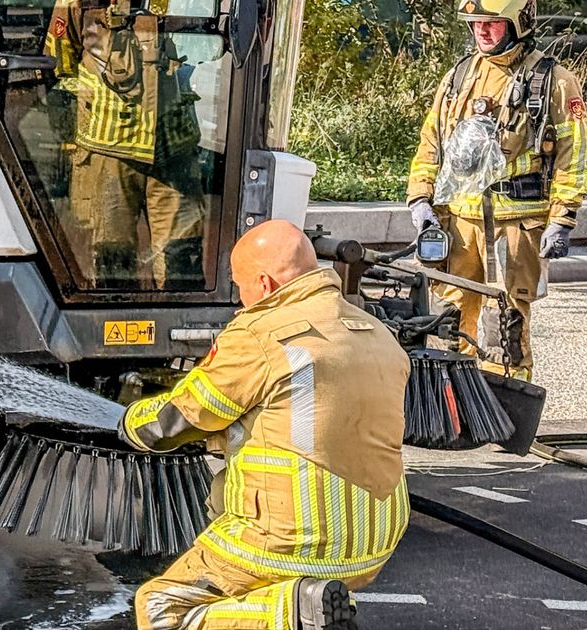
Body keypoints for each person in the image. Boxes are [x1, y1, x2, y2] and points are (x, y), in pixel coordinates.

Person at [119, 221, 411, 630]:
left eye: (241, 286)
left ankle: (293, 615)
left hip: (289, 539)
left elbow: (178, 420)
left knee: (161, 606)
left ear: (264, 283)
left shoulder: (259, 334)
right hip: (375, 542)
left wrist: (129, 420)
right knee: (259, 592)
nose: (241, 300)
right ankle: (309, 607)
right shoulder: (378, 334)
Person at [407, 0, 587, 380]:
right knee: (447, 320)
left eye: (493, 23)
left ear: (518, 23)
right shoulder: (459, 76)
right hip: (459, 222)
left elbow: (573, 155)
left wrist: (562, 219)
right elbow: (431, 142)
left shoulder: (554, 81)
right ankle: (450, 400)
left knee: (504, 327)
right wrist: (420, 199)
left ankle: (503, 403)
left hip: (516, 226)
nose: (482, 31)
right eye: (476, 23)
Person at [45, 0, 206, 290]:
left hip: (172, 145)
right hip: (108, 149)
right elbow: (60, 63)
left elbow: (209, 47)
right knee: (111, 262)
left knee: (181, 263)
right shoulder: (78, 2)